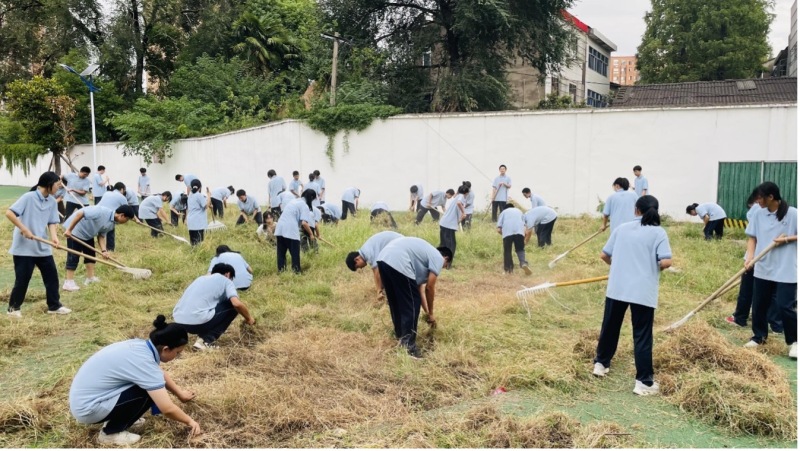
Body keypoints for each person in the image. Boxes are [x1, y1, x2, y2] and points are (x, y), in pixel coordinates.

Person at [69, 315, 201, 446]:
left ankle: (119, 417)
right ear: (166, 349)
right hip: (88, 409)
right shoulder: (144, 361)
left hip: (85, 400)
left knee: (149, 385)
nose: (177, 356)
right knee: (147, 392)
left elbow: (158, 374)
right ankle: (110, 433)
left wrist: (180, 394)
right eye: (177, 352)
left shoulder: (140, 346)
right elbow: (167, 408)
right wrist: (190, 421)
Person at [593, 195, 672, 396]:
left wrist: (617, 266)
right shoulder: (659, 232)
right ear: (656, 211)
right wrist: (654, 266)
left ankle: (601, 364)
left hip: (617, 287)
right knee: (642, 335)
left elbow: (604, 255)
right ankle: (643, 382)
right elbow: (666, 262)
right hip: (642, 290)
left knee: (610, 326)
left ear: (636, 210)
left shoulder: (622, 229)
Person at [742, 182, 797, 359]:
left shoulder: (793, 213)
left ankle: (794, 342)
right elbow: (752, 238)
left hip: (786, 268)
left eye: (760, 198)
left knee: (784, 306)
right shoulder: (758, 214)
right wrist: (750, 258)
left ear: (771, 197)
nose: (757, 201)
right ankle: (759, 337)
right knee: (759, 304)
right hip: (763, 265)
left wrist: (787, 239)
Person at [6, 172, 71, 317]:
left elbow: (52, 221)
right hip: (24, 248)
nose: (58, 188)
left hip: (42, 246)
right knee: (23, 279)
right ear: (49, 184)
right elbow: (9, 213)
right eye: (57, 185)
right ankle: (13, 309)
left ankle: (54, 306)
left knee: (52, 277)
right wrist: (24, 229)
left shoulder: (52, 201)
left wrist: (54, 238)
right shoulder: (28, 197)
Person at [376, 237, 452, 358]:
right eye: (445, 266)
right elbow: (429, 288)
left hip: (382, 259)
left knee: (397, 301)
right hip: (398, 260)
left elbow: (419, 291)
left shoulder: (423, 257)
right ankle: (408, 348)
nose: (441, 269)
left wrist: (427, 313)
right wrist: (432, 313)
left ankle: (400, 337)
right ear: (446, 259)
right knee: (411, 305)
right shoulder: (438, 257)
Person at [726, 191, 782, 332]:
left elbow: (753, 236)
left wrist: (749, 258)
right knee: (773, 292)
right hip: (771, 258)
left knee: (748, 288)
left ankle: (740, 318)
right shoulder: (782, 211)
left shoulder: (757, 210)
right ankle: (775, 324)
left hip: (758, 257)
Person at [173, 263, 256, 350]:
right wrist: (249, 319)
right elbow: (236, 304)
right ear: (228, 274)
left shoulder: (199, 279)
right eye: (232, 278)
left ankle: (193, 338)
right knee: (233, 307)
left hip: (179, 322)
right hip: (197, 324)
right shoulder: (226, 281)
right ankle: (205, 341)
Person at [62, 205, 135, 291]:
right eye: (127, 219)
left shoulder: (112, 224)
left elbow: (101, 236)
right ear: (122, 215)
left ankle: (90, 278)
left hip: (88, 233)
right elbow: (80, 213)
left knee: (91, 256)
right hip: (76, 230)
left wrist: (104, 251)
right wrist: (69, 230)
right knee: (73, 256)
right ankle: (68, 282)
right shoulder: (101, 211)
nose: (126, 222)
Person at [345, 231, 403, 299]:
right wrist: (380, 287)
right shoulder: (365, 252)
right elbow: (376, 271)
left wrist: (378, 291)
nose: (360, 268)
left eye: (357, 266)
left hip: (399, 244)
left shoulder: (367, 252)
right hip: (397, 243)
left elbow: (377, 272)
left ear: (357, 259)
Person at [275, 190, 316, 273]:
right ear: (311, 198)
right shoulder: (304, 206)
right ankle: (296, 271)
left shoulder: (293, 201)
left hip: (280, 228)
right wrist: (311, 234)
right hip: (291, 229)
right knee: (295, 253)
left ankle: (281, 271)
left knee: (281, 253)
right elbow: (304, 223)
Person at [497, 203, 530, 275]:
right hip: (519, 232)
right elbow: (525, 225)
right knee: (520, 249)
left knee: (507, 251)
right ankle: (523, 263)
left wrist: (504, 234)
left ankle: (509, 270)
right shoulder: (519, 211)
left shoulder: (503, 212)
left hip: (507, 233)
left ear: (505, 208)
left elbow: (499, 229)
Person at [98, 182, 131, 252]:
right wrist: (136, 219)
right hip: (109, 217)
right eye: (124, 190)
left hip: (97, 213)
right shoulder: (122, 197)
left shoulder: (107, 193)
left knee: (99, 232)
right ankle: (110, 249)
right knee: (110, 230)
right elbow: (128, 210)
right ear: (122, 189)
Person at [439, 186, 466, 268]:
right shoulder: (461, 197)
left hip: (443, 223)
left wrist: (461, 218)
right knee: (451, 246)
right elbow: (459, 203)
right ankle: (447, 265)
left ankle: (439, 263)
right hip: (448, 226)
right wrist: (463, 212)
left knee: (443, 245)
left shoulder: (455, 198)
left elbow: (457, 219)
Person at [187, 179, 210, 246]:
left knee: (193, 243)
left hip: (191, 222)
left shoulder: (190, 196)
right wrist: (209, 195)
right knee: (199, 243)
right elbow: (206, 206)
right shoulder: (199, 195)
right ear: (200, 187)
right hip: (198, 222)